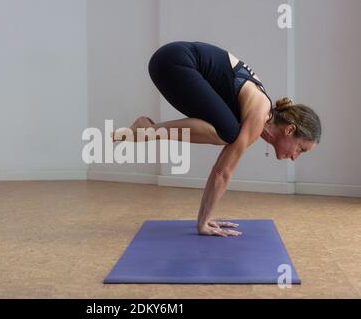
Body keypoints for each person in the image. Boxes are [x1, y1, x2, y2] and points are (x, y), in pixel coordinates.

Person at [112, 41, 322, 237]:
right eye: (301, 149)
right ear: (289, 130)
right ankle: (147, 131)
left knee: (228, 131)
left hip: (168, 62)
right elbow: (222, 172)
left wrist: (205, 218)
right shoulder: (259, 114)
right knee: (229, 133)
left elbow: (221, 169)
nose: (295, 157)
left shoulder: (257, 117)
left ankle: (147, 130)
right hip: (174, 61)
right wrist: (203, 222)